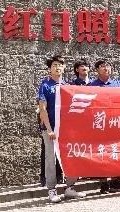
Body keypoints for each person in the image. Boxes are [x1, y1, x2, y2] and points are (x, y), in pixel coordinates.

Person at [37, 54, 87, 203]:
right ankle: (51, 190)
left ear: (64, 68)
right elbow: (42, 109)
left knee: (71, 155)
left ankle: (70, 187)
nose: (57, 67)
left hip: (66, 129)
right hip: (51, 129)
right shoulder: (45, 85)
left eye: (60, 65)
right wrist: (49, 129)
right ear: (49, 69)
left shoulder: (67, 86)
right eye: (54, 65)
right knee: (51, 159)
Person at [88, 60, 120, 193]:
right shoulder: (91, 86)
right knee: (102, 152)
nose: (106, 69)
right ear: (97, 70)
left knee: (116, 151)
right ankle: (103, 182)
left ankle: (116, 180)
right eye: (102, 66)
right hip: (99, 124)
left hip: (115, 123)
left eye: (108, 66)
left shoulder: (118, 85)